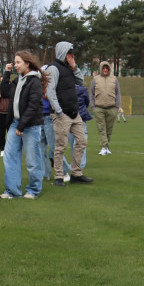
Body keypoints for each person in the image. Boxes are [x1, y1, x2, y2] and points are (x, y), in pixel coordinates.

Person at [43, 42, 92, 186]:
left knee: (82, 141)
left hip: (74, 112)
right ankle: (59, 176)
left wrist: (74, 66)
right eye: (69, 53)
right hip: (61, 114)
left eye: (72, 54)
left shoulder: (69, 68)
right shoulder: (53, 68)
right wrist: (58, 111)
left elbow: (81, 81)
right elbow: (50, 92)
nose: (71, 56)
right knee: (60, 146)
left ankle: (76, 174)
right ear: (62, 52)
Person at [0, 51, 44, 200]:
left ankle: (33, 190)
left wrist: (22, 126)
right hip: (15, 123)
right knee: (9, 156)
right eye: (15, 63)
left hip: (30, 125)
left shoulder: (35, 82)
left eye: (18, 62)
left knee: (32, 160)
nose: (15, 65)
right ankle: (12, 191)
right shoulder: (18, 80)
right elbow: (4, 92)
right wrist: (6, 73)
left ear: (27, 63)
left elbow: (33, 106)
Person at [61, 84, 93, 181]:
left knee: (73, 143)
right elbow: (87, 102)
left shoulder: (64, 88)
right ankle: (78, 167)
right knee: (81, 142)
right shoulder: (83, 89)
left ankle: (75, 168)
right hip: (80, 117)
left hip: (69, 116)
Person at [89, 60, 120, 155]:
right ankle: (104, 147)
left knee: (109, 129)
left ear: (109, 69)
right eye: (104, 68)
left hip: (112, 108)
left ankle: (106, 147)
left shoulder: (114, 79)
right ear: (101, 69)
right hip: (99, 108)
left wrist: (117, 106)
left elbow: (118, 93)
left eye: (107, 68)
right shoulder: (95, 79)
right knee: (101, 128)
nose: (105, 69)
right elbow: (91, 93)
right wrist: (93, 106)